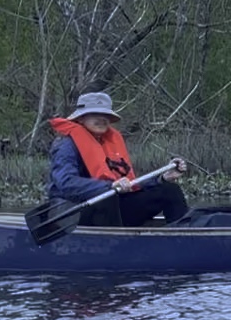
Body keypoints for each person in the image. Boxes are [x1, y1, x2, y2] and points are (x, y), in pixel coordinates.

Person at [48, 91, 188, 227]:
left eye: (106, 115)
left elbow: (130, 183)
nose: (102, 119)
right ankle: (115, 239)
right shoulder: (66, 145)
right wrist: (109, 187)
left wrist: (162, 178)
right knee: (108, 198)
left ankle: (183, 234)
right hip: (77, 212)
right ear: (81, 118)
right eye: (95, 114)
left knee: (169, 191)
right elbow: (66, 183)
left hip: (113, 207)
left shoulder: (108, 142)